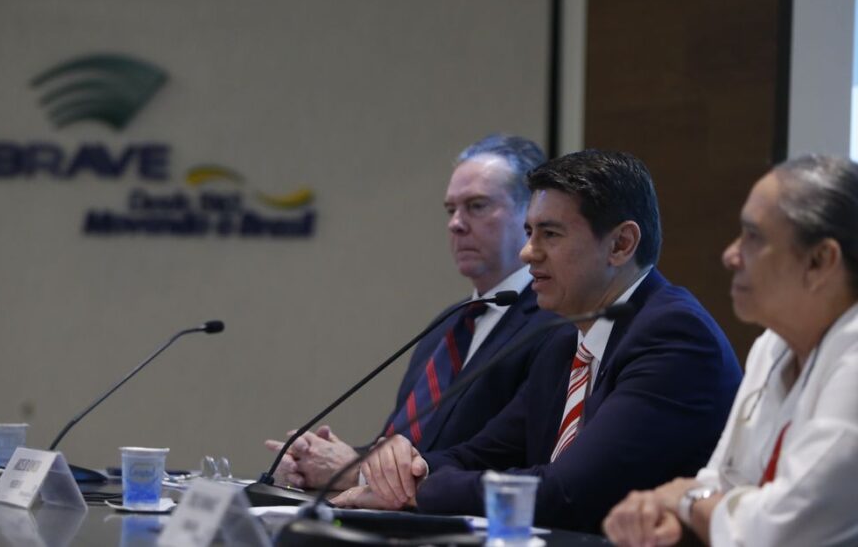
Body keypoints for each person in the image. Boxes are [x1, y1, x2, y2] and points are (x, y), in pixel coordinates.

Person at [334, 150, 743, 534]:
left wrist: (419, 492)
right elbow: (479, 453)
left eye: (550, 234)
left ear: (620, 244)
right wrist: (407, 470)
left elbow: (567, 493)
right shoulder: (565, 339)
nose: (528, 252)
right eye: (530, 232)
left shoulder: (674, 335)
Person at [263, 135, 568, 490]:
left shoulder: (555, 322)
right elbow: (411, 447)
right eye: (450, 210)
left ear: (529, 215)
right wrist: (316, 464)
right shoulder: (449, 324)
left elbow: (497, 458)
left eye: (476, 206)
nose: (456, 223)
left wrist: (353, 470)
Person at [603, 155, 858, 547]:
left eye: (753, 237)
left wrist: (685, 501)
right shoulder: (772, 345)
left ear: (819, 261)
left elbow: (782, 531)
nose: (730, 255)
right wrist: (676, 519)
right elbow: (719, 482)